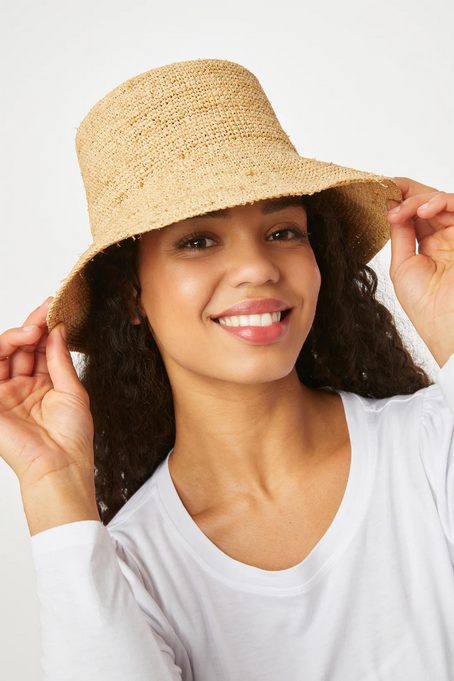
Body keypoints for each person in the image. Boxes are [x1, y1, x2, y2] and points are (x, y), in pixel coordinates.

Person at [1, 58, 453, 680]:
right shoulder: (126, 571)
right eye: (198, 240)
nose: (259, 268)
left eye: (284, 231)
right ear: (131, 293)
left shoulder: (430, 447)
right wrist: (52, 483)